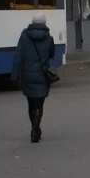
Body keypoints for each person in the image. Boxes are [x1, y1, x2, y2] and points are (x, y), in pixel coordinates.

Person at [12, 12, 56, 143]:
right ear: (44, 23)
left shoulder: (24, 36)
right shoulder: (49, 37)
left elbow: (18, 56)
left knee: (31, 104)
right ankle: (35, 130)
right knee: (39, 105)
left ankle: (34, 128)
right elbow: (51, 54)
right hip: (42, 75)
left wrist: (14, 76)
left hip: (27, 75)